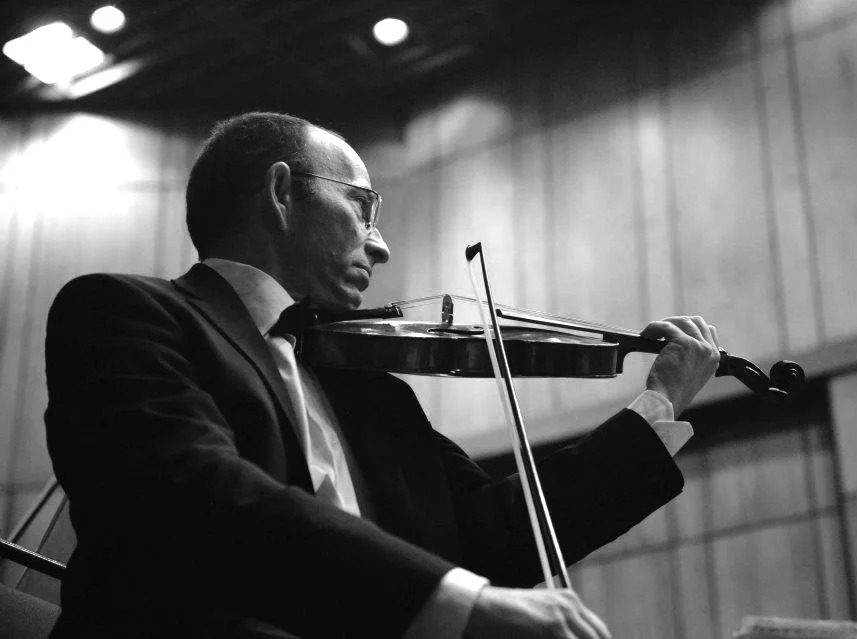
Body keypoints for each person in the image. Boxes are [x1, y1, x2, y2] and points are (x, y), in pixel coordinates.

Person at [44, 112, 721, 638]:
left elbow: (496, 537)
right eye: (364, 208)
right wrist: (464, 604)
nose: (382, 245)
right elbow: (199, 495)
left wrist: (657, 405)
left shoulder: (372, 392)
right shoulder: (123, 313)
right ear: (281, 193)